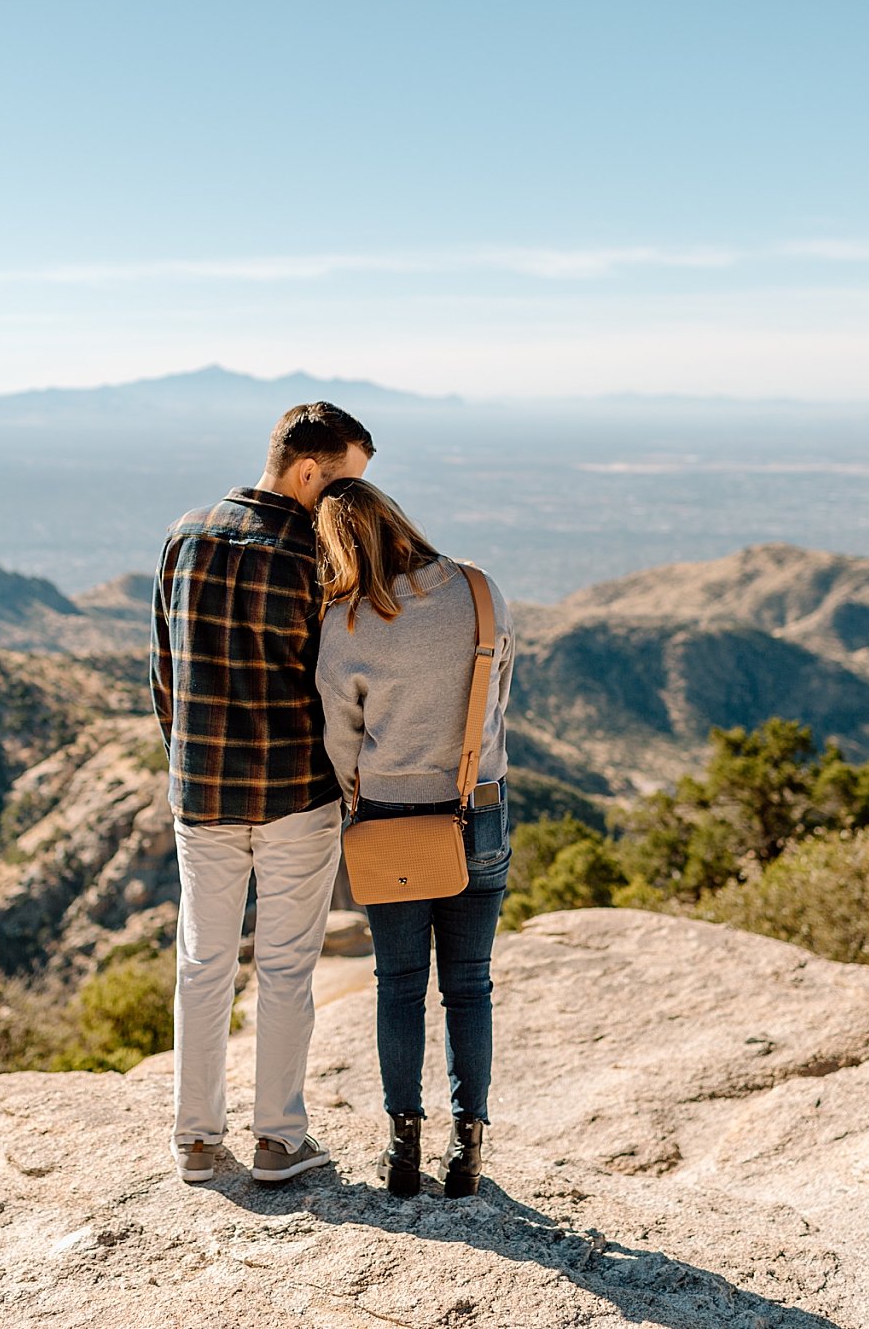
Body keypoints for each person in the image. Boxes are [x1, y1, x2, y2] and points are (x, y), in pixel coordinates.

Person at [153, 401, 375, 1185]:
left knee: (201, 963)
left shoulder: (185, 536)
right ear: (309, 471)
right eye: (347, 484)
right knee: (286, 970)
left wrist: (185, 763)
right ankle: (279, 1140)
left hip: (203, 789)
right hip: (296, 794)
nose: (354, 504)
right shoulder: (317, 558)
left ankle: (195, 1140)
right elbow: (343, 683)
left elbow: (164, 675)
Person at [312, 479, 516, 1198]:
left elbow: (341, 742)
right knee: (470, 985)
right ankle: (469, 1149)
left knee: (399, 987)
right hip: (477, 811)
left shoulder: (347, 625)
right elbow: (496, 704)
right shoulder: (481, 592)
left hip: (392, 821)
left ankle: (402, 1149)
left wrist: (360, 799)